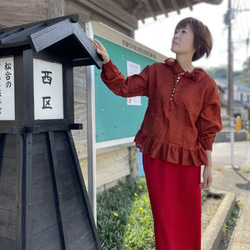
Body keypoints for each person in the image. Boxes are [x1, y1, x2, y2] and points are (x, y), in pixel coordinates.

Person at [91, 17, 223, 250]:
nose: (176, 35)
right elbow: (124, 87)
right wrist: (108, 62)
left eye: (184, 32)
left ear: (198, 44)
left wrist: (208, 165)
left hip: (188, 161)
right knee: (164, 218)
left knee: (188, 217)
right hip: (156, 157)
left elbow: (208, 128)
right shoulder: (156, 72)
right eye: (176, 30)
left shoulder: (206, 85)